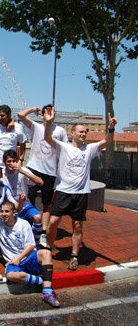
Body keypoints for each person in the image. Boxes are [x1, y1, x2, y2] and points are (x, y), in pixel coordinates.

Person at [43, 107, 117, 271]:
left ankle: (74, 256)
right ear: (72, 133)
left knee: (77, 226)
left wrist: (111, 128)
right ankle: (47, 249)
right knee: (53, 222)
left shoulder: (89, 149)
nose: (84, 134)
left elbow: (107, 141)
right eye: (81, 132)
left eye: (86, 132)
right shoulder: (63, 147)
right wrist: (48, 123)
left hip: (81, 194)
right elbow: (47, 138)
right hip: (63, 192)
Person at [0, 201, 60, 307]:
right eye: (2, 211)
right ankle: (41, 281)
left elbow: (31, 245)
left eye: (7, 211)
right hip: (13, 263)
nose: (4, 214)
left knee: (46, 253)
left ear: (14, 213)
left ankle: (47, 293)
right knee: (10, 275)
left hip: (28, 257)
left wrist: (19, 258)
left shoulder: (23, 223)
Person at [17, 105, 68, 245]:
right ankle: (29, 227)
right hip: (34, 168)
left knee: (47, 204)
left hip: (51, 172)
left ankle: (44, 232)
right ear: (42, 114)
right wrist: (33, 109)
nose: (50, 114)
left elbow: (65, 151)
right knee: (29, 199)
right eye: (47, 112)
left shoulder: (61, 131)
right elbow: (20, 115)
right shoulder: (37, 127)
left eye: (53, 112)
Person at [1, 149, 44, 243]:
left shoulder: (23, 171)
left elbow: (40, 182)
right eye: (9, 161)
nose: (12, 164)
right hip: (10, 207)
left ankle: (34, 243)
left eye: (14, 161)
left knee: (38, 218)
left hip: (25, 204)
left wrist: (22, 171)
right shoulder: (1, 174)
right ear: (4, 162)